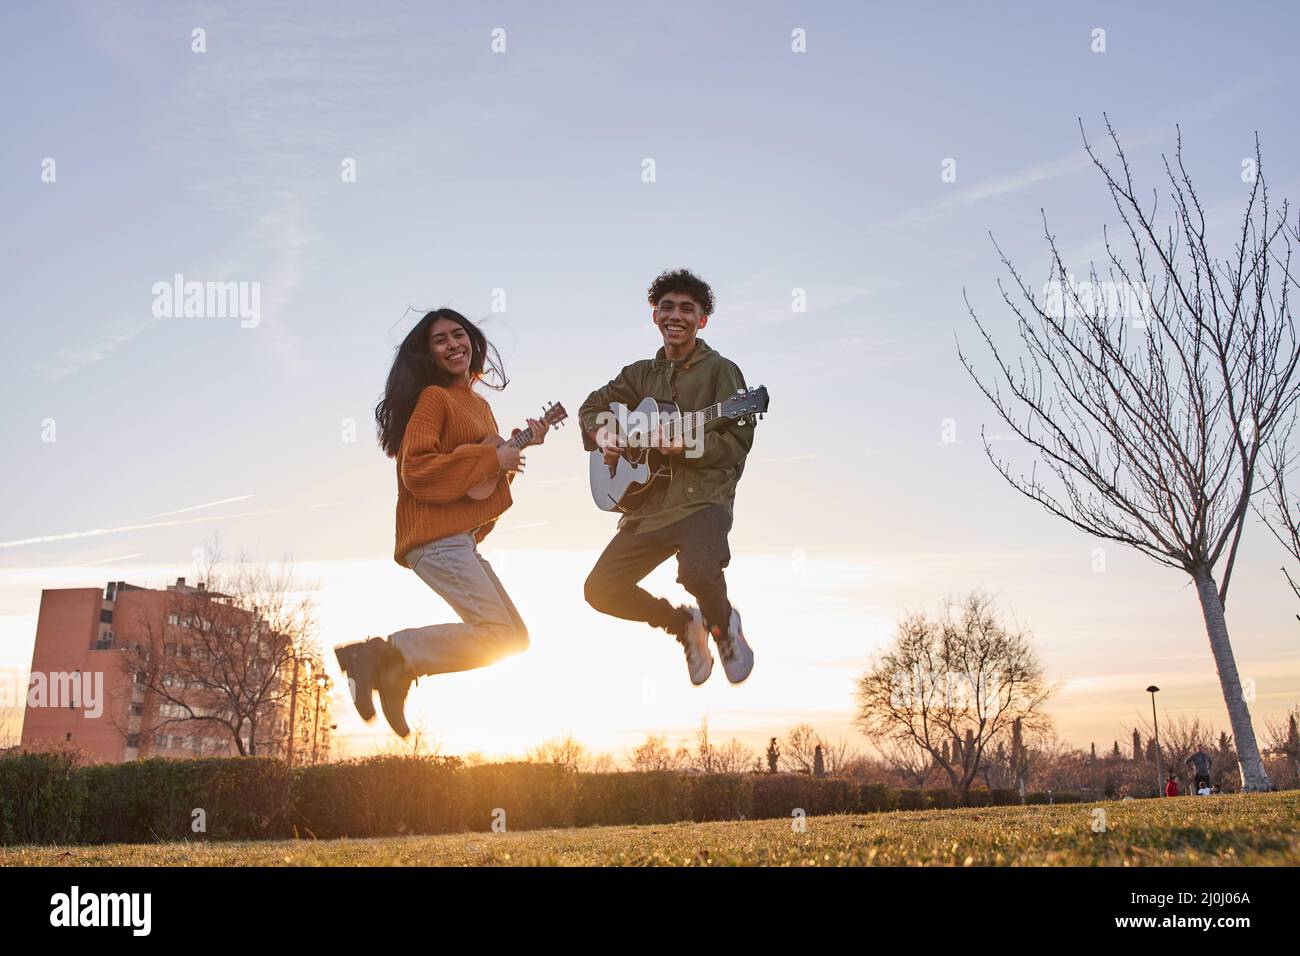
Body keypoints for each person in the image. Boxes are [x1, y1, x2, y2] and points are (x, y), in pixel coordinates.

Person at [333, 308, 544, 736]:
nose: (453, 345)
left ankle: (396, 671)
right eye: (441, 340)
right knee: (498, 635)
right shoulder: (433, 398)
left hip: (459, 540)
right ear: (428, 355)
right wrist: (493, 457)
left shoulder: (481, 408)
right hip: (434, 539)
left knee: (515, 640)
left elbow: (474, 489)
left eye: (459, 335)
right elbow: (419, 469)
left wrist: (505, 461)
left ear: (472, 341)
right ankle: (381, 655)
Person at [580, 269, 755, 685]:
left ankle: (723, 625)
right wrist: (604, 433)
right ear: (654, 315)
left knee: (696, 572)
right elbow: (592, 406)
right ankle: (683, 625)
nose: (676, 315)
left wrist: (689, 447)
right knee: (601, 590)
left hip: (702, 501)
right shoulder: (640, 374)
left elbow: (738, 445)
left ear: (702, 320)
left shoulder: (722, 372)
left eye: (687, 309)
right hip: (647, 508)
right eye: (667, 307)